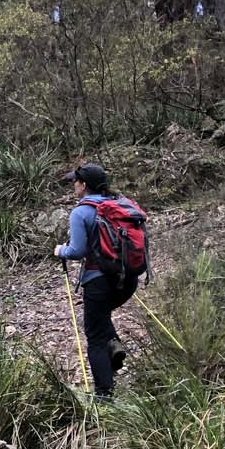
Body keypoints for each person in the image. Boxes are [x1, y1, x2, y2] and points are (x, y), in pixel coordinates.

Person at [53, 162, 133, 397]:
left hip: (98, 281)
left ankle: (104, 396)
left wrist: (60, 251)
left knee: (95, 338)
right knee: (101, 320)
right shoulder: (116, 204)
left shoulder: (81, 212)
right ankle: (114, 344)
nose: (73, 186)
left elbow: (77, 251)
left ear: (84, 185)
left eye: (75, 182)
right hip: (127, 278)